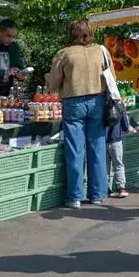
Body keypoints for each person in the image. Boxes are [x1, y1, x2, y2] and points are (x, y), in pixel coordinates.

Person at [47, 20, 112, 208]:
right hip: (97, 101)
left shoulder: (64, 53)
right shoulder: (102, 51)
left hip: (73, 101)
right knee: (97, 147)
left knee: (75, 149)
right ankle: (98, 194)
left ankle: (74, 196)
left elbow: (52, 84)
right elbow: (111, 78)